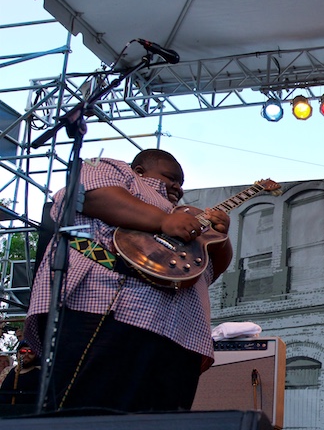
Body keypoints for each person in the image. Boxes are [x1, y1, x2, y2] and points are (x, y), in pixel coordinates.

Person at [24, 148, 232, 412]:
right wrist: (164, 220)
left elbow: (207, 272)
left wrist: (221, 238)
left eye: (182, 184)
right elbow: (93, 195)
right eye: (171, 178)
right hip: (108, 309)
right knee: (83, 417)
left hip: (181, 337)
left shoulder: (186, 218)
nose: (178, 187)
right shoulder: (115, 170)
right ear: (140, 171)